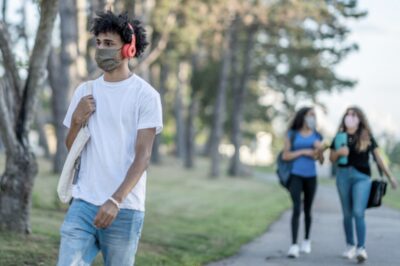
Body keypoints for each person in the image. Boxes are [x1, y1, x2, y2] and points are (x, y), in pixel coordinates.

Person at [57, 11, 163, 266]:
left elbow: (143, 156)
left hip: (124, 209)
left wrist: (115, 200)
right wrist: (76, 121)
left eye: (109, 44)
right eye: (99, 43)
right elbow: (72, 147)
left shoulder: (146, 96)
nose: (101, 49)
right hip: (83, 203)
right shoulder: (85, 91)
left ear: (129, 49)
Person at [329, 106, 397, 263]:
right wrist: (339, 153)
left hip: (362, 177)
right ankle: (350, 245)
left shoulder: (367, 137)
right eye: (348, 114)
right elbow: (331, 158)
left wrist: (390, 177)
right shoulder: (339, 137)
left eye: (354, 115)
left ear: (360, 119)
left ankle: (361, 248)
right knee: (347, 213)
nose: (350, 117)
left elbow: (379, 158)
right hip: (343, 176)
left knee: (358, 212)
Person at [282, 107, 325, 258]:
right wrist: (303, 151)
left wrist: (320, 151)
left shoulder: (317, 135)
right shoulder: (292, 134)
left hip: (311, 176)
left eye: (314, 115)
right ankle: (294, 245)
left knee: (308, 209)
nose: (312, 118)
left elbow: (321, 161)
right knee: (296, 208)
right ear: (303, 116)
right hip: (295, 175)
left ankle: (306, 240)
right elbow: (285, 155)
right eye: (310, 115)